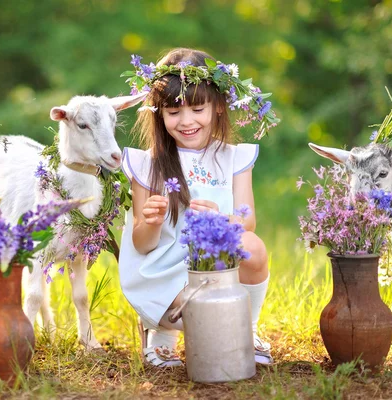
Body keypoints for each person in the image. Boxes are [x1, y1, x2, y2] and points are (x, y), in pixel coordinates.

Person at [119, 48, 279, 367]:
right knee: (205, 319)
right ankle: (160, 332)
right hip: (166, 277)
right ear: (158, 113)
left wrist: (222, 221)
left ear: (217, 107)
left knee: (254, 248)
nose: (186, 121)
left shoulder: (234, 158)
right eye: (173, 112)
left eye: (197, 108)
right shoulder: (148, 165)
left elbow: (247, 221)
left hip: (215, 275)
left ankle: (246, 329)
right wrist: (151, 221)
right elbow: (141, 243)